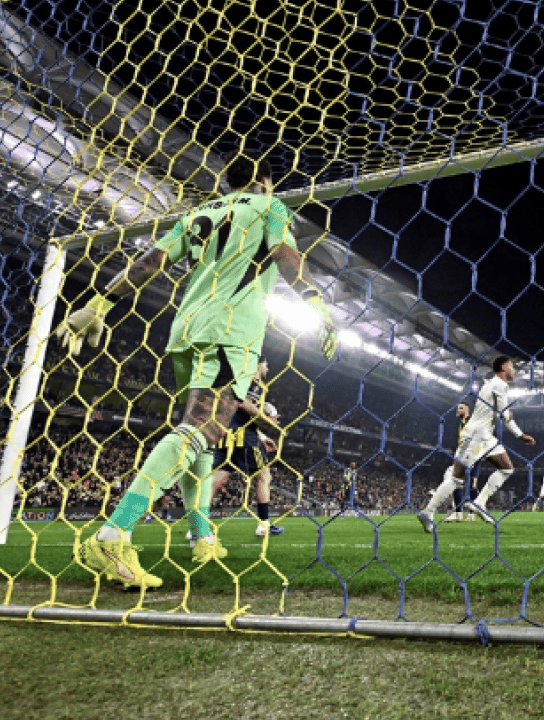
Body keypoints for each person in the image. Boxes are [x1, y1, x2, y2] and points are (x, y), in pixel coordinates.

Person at [57, 153, 337, 587]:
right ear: (265, 181)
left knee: (206, 442)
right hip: (231, 333)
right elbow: (285, 253)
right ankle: (113, 533)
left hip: (186, 330)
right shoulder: (270, 206)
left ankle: (200, 533)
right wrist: (317, 302)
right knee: (198, 432)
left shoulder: (199, 212)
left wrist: (99, 304)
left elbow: (151, 261)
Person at [417, 356, 535, 530]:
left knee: (507, 468)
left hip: (486, 436)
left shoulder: (492, 385)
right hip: (474, 437)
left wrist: (518, 432)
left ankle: (479, 502)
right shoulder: (499, 384)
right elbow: (504, 414)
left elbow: (501, 413)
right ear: (503, 368)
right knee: (457, 479)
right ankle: (428, 511)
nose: (515, 370)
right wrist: (518, 430)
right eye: (512, 366)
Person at [207, 359, 284, 538]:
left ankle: (196, 526)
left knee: (217, 479)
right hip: (243, 437)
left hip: (225, 432)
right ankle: (264, 525)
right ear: (257, 365)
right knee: (264, 476)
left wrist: (262, 436)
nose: (267, 368)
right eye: (265, 364)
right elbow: (245, 405)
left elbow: (238, 412)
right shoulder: (254, 381)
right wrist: (268, 421)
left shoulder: (238, 379)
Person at [443, 404, 476, 523]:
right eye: (457, 408)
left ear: (468, 410)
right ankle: (458, 513)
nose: (458, 410)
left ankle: (471, 514)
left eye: (461, 408)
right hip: (461, 455)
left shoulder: (472, 422)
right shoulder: (459, 423)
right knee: (456, 482)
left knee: (473, 484)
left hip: (473, 454)